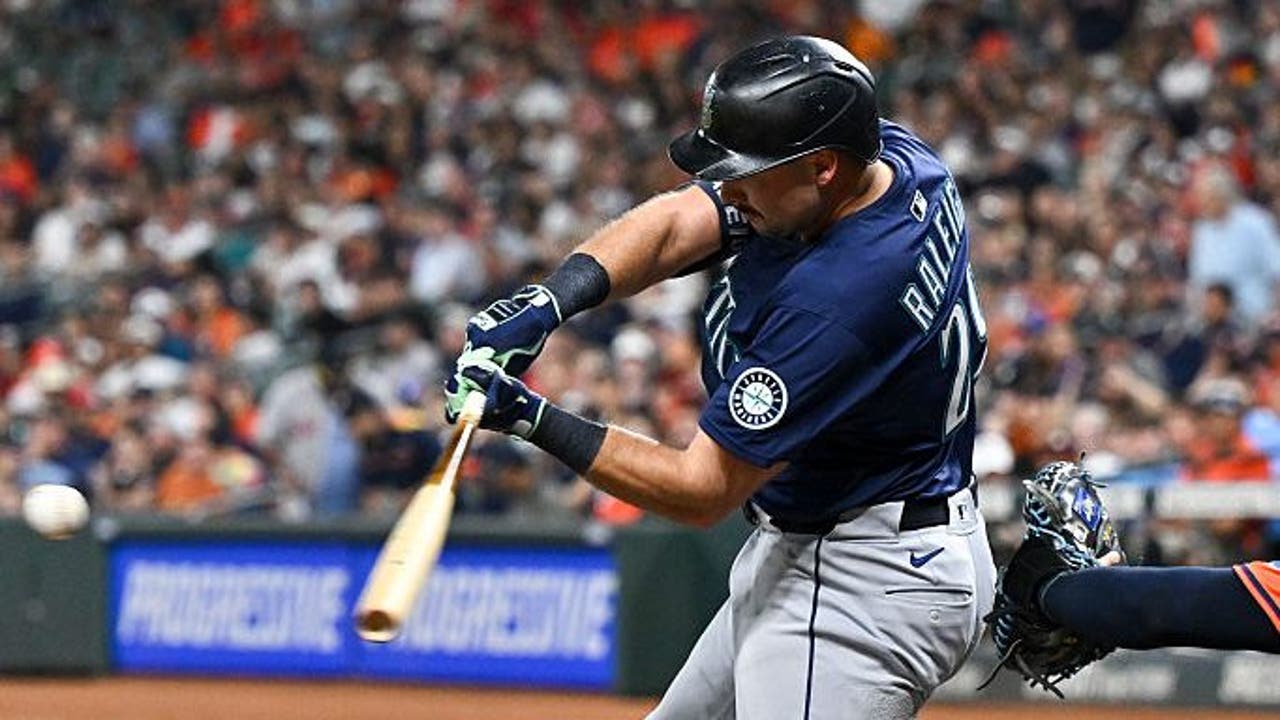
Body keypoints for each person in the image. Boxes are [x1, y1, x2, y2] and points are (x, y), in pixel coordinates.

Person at [446, 36, 995, 719]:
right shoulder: (896, 161)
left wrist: (532, 417)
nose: (728, 189)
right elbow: (683, 221)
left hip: (862, 579)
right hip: (846, 539)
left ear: (823, 167)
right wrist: (551, 299)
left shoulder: (838, 302)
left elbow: (701, 489)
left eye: (748, 172)